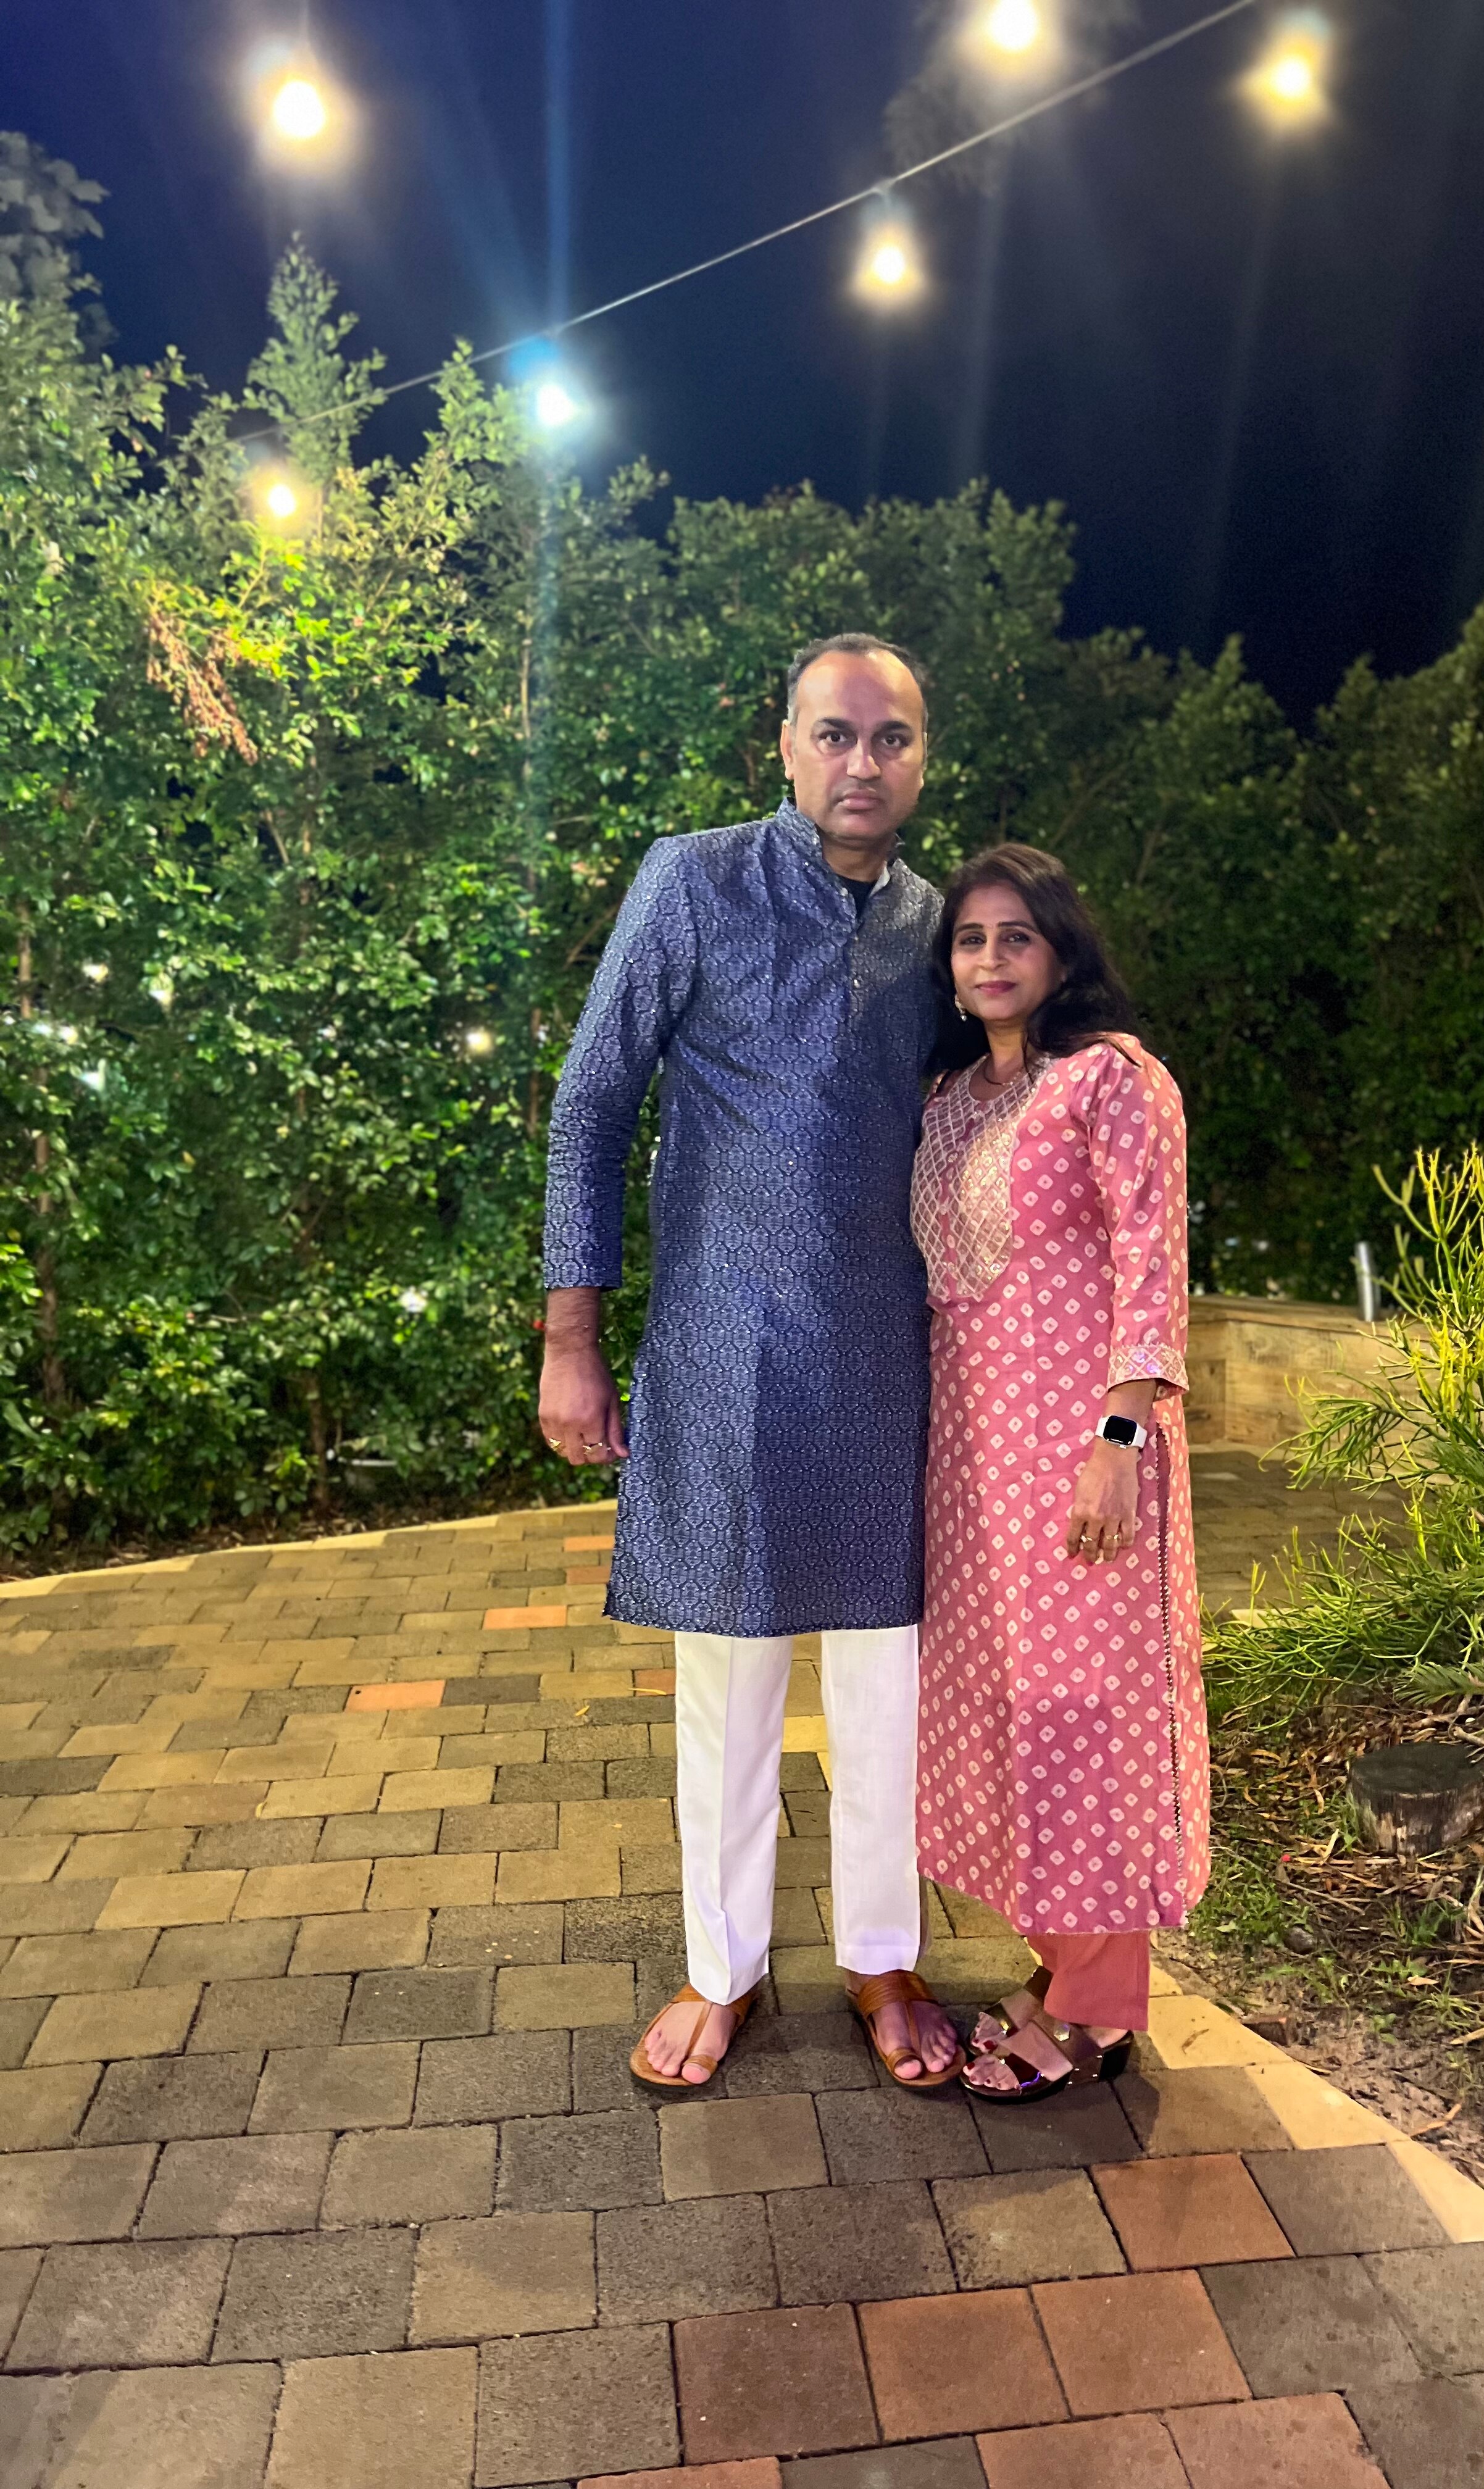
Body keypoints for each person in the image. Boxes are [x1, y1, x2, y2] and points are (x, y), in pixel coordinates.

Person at [540, 634, 959, 2091]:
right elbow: (592, 1102)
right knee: (727, 1681)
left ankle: (882, 1957)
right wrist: (573, 1337)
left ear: (923, 758)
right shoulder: (693, 882)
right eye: (836, 734)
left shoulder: (939, 927)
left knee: (888, 1680)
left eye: (891, 739)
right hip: (721, 1347)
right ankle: (720, 1970)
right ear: (784, 746)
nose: (863, 763)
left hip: (889, 1353)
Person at [911, 843, 1209, 2099]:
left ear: (1061, 950)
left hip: (1085, 1452)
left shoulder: (1112, 1082)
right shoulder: (951, 1097)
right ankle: (1061, 1960)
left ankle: (1097, 2010)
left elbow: (1153, 1263)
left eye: (1014, 937)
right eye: (970, 939)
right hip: (972, 1463)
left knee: (1090, 1716)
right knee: (1008, 1715)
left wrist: (1121, 1439)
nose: (989, 960)